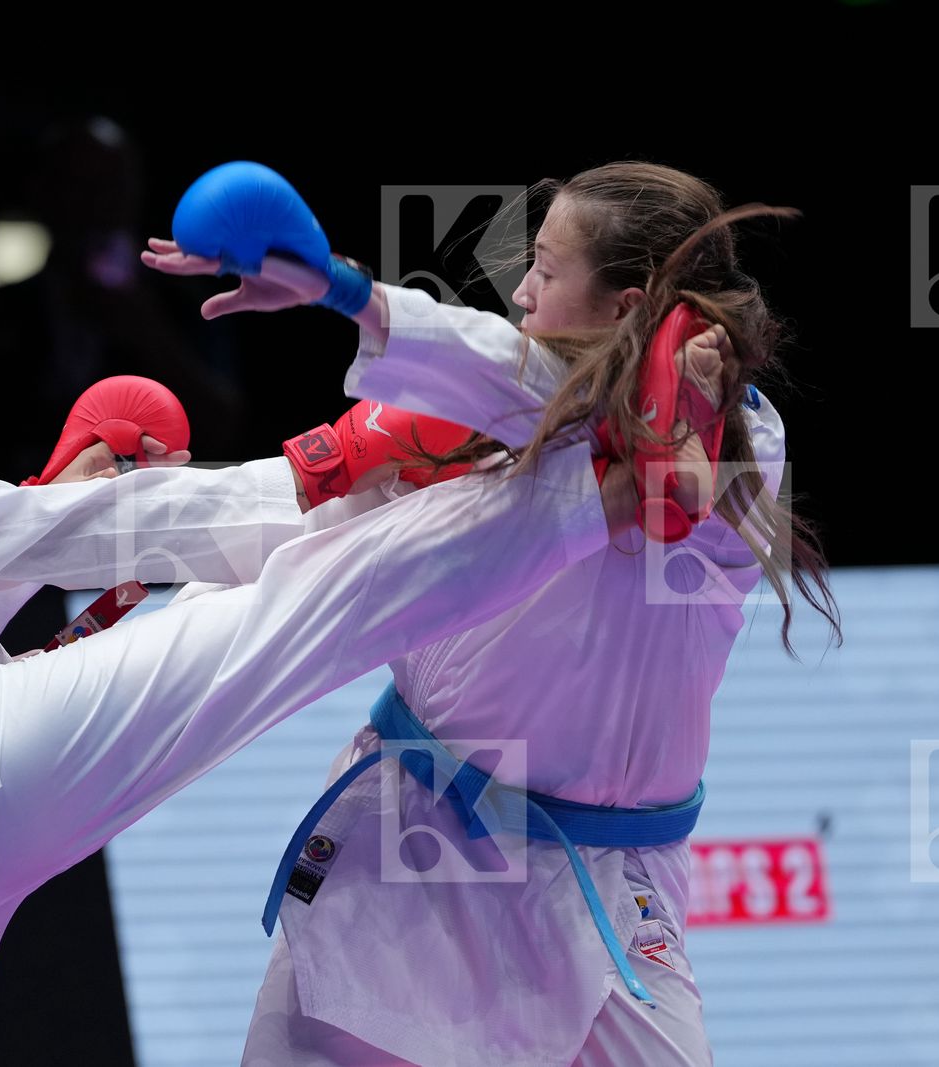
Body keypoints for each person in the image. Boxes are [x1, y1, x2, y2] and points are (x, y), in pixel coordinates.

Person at [0, 311, 720, 1065]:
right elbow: (41, 532)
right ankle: (614, 474)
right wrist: (319, 469)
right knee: (298, 606)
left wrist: (45, 602)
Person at [143, 160, 841, 1066]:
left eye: (546, 271)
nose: (519, 290)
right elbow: (485, 368)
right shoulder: (511, 403)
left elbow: (668, 481)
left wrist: (341, 287)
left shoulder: (750, 447)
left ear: (628, 309)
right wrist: (335, 286)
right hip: (406, 847)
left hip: (595, 885)